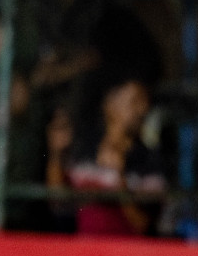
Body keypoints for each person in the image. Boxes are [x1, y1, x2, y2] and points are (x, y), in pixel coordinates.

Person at [47, 73, 165, 236]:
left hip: (127, 255)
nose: (142, 109)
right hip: (85, 253)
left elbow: (142, 224)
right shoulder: (84, 150)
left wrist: (120, 176)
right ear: (110, 104)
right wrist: (56, 153)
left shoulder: (148, 159)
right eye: (134, 101)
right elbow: (58, 202)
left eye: (145, 101)